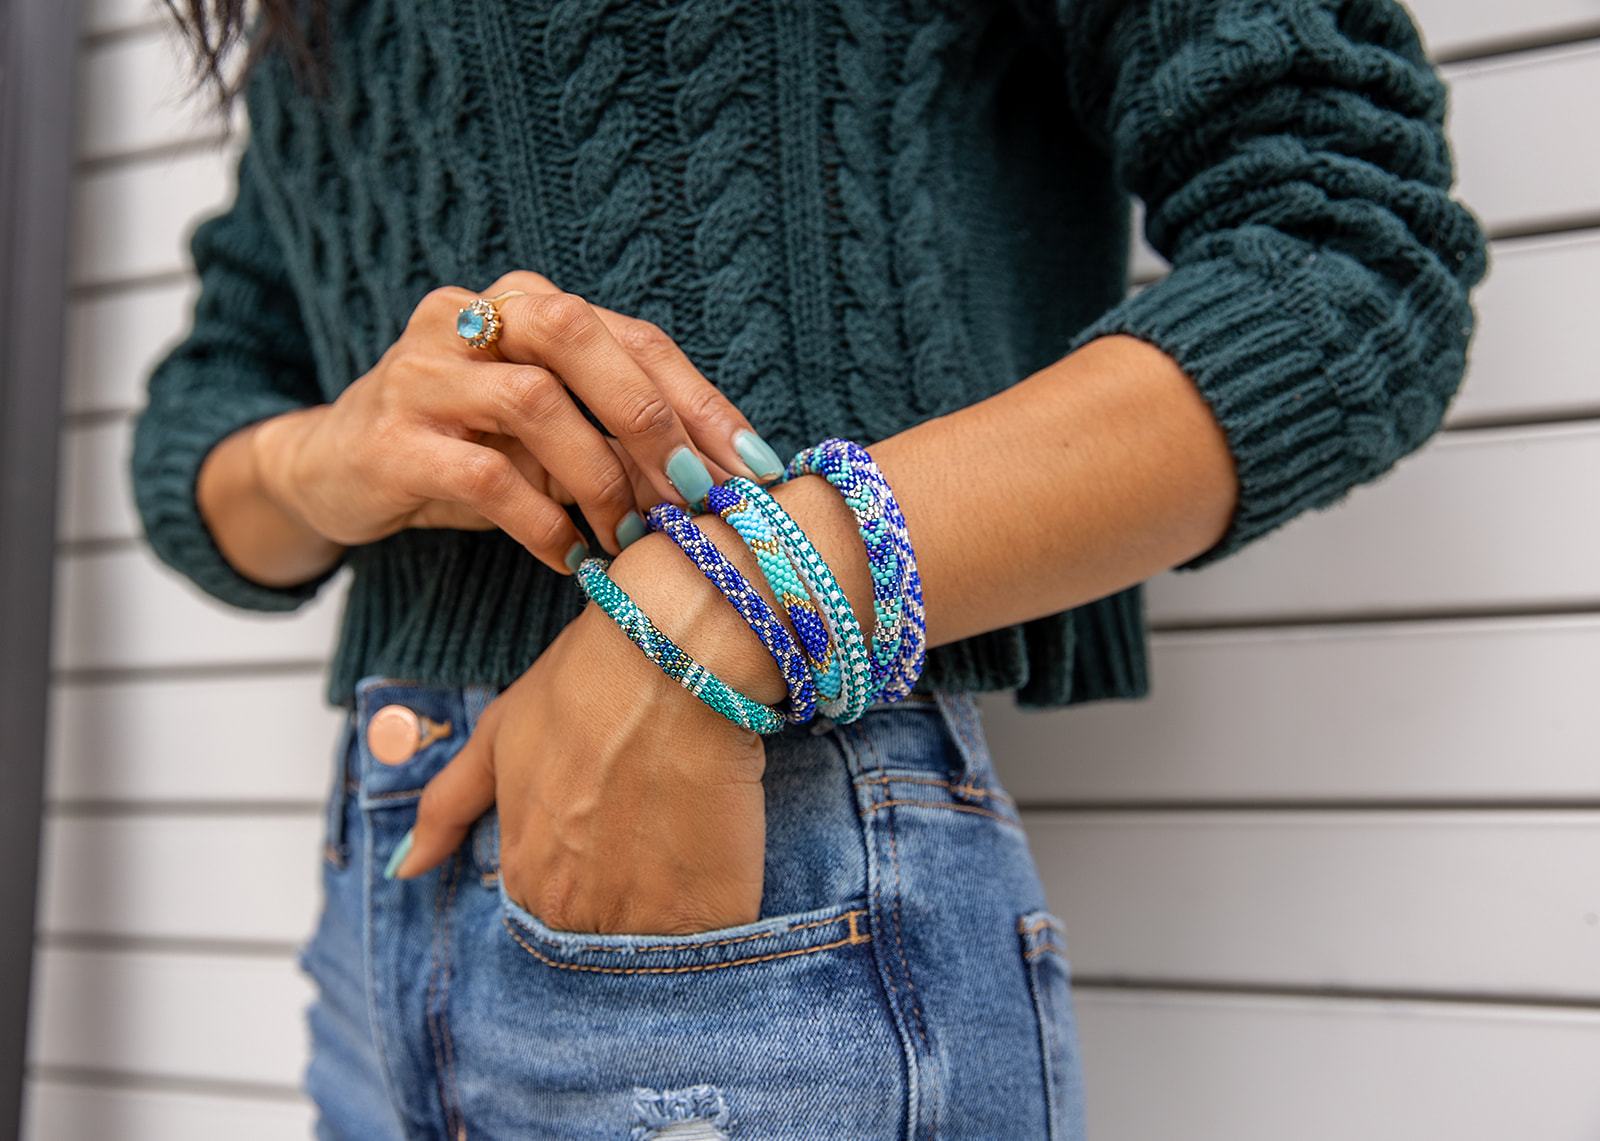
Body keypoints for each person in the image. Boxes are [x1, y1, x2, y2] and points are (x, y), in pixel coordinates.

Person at [131, 0, 1486, 1136]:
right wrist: (328, 454)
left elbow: (1347, 247)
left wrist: (734, 599)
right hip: (382, 894)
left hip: (757, 852)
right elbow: (206, 414)